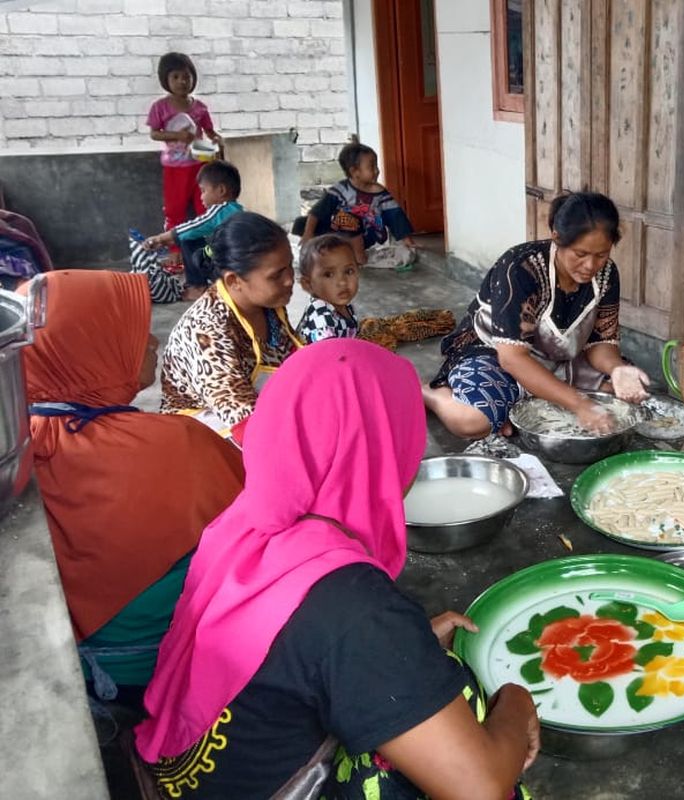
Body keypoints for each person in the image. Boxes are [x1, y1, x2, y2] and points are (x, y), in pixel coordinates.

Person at [136, 340, 539, 799]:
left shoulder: (244, 527)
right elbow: (479, 788)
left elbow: (296, 653)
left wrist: (401, 651)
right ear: (383, 445)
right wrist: (515, 701)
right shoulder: (354, 609)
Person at [20, 270, 244, 696]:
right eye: (133, 333)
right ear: (91, 347)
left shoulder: (28, 439)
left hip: (83, 668)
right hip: (172, 665)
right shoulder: (172, 445)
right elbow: (265, 508)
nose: (155, 342)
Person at [425, 191, 650, 439]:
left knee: (626, 395)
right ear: (557, 237)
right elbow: (512, 359)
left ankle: (516, 403)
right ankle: (432, 394)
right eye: (580, 254)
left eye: (601, 255)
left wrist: (617, 368)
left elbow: (600, 343)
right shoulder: (520, 268)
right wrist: (579, 404)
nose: (590, 266)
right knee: (473, 422)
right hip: (496, 353)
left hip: (563, 356)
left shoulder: (607, 273)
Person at [160, 212, 303, 440]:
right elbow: (246, 426)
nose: (289, 280)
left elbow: (292, 360)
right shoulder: (207, 331)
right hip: (199, 428)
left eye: (289, 267)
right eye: (276, 275)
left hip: (251, 403)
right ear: (234, 281)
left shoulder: (269, 303)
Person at [140, 160, 244, 300]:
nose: (201, 197)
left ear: (221, 190)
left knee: (189, 237)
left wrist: (161, 238)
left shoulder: (220, 210)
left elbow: (192, 227)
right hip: (238, 266)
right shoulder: (236, 209)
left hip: (227, 267)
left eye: (203, 191)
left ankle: (197, 286)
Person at [299, 142, 416, 266]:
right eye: (372, 167)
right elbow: (318, 211)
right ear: (355, 172)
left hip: (368, 233)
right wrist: (308, 233)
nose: (377, 171)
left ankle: (359, 256)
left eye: (376, 166)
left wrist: (406, 239)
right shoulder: (340, 190)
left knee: (350, 219)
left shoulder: (380, 193)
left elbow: (395, 215)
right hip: (340, 234)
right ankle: (332, 252)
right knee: (301, 223)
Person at [147, 52, 221, 236]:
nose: (182, 81)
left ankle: (208, 248)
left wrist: (217, 140)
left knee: (204, 206)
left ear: (193, 78)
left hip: (200, 163)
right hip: (175, 167)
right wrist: (177, 135)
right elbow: (154, 134)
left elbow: (210, 132)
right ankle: (175, 249)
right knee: (175, 208)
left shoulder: (200, 107)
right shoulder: (160, 107)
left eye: (187, 76)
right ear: (166, 80)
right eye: (175, 77)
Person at [297, 233, 360, 344]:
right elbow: (327, 356)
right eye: (328, 275)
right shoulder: (321, 318)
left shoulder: (346, 307)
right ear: (307, 284)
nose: (342, 282)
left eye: (349, 271)